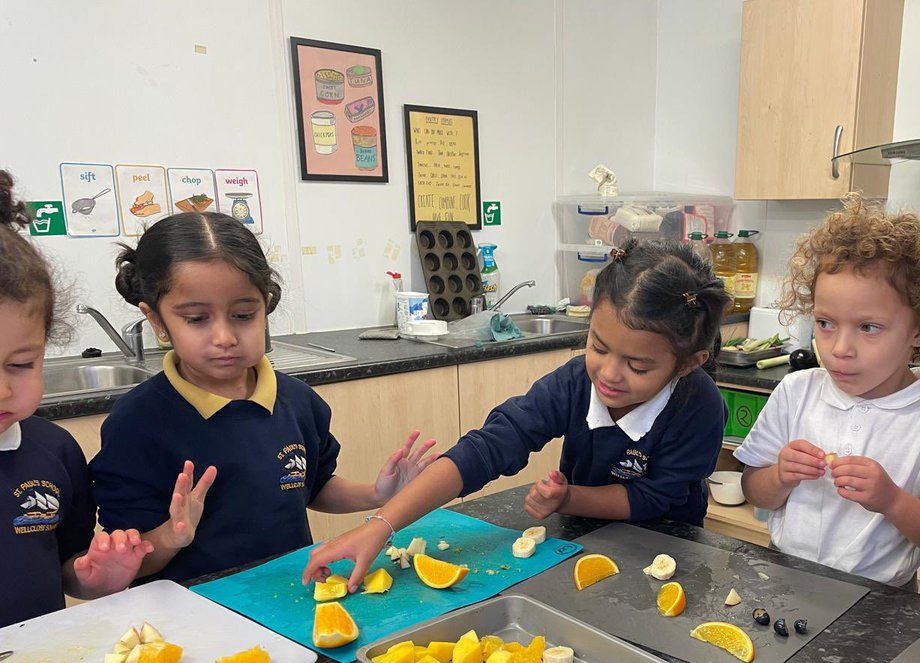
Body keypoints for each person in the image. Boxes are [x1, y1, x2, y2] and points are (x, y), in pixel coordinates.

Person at [303, 239, 728, 590]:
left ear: (689, 362)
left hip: (669, 549)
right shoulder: (576, 382)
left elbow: (655, 498)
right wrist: (381, 525)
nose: (609, 374)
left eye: (638, 366)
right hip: (577, 540)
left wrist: (569, 497)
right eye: (598, 347)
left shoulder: (700, 407)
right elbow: (487, 448)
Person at [90, 212, 436, 583]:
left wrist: (376, 493)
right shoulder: (137, 423)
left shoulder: (299, 402)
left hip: (290, 595)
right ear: (156, 319)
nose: (224, 336)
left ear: (265, 305)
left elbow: (314, 486)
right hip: (190, 613)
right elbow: (126, 561)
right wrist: (170, 537)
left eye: (242, 314)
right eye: (196, 319)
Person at [736, 196, 920, 588]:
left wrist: (892, 501)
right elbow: (755, 492)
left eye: (868, 328)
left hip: (880, 601)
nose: (840, 348)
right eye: (825, 323)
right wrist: (780, 476)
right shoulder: (796, 391)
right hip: (784, 579)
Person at [0, 171, 151, 626]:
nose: (3, 390)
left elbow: (68, 571)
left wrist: (99, 578)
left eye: (21, 365)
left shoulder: (55, 452)